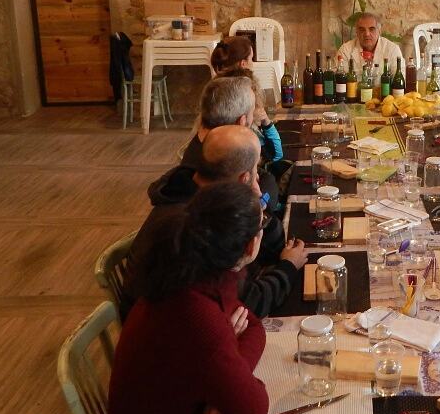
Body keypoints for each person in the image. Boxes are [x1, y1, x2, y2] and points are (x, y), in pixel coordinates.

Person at [109, 182, 270, 414]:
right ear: (250, 246)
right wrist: (229, 371)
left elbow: (253, 325)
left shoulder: (190, 270)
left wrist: (227, 372)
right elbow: (253, 408)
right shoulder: (197, 316)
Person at [123, 125, 305, 320]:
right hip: (171, 329)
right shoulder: (204, 220)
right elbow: (248, 304)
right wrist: (288, 267)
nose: (259, 178)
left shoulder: (191, 189)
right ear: (244, 178)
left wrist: (255, 206)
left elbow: (271, 250)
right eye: (255, 170)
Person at [181, 76, 279, 208]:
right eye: (252, 112)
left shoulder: (214, 144)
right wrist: (261, 202)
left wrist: (263, 198)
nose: (253, 118)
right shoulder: (211, 160)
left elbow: (266, 177)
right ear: (241, 122)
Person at [210, 36, 285, 169]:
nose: (253, 63)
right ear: (243, 64)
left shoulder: (214, 89)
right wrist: (266, 122)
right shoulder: (247, 92)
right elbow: (276, 156)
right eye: (251, 59)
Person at [336, 11, 403, 73]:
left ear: (379, 31)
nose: (367, 34)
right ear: (357, 32)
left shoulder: (392, 50)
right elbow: (337, 77)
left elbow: (400, 78)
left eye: (371, 29)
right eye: (362, 30)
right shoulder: (345, 50)